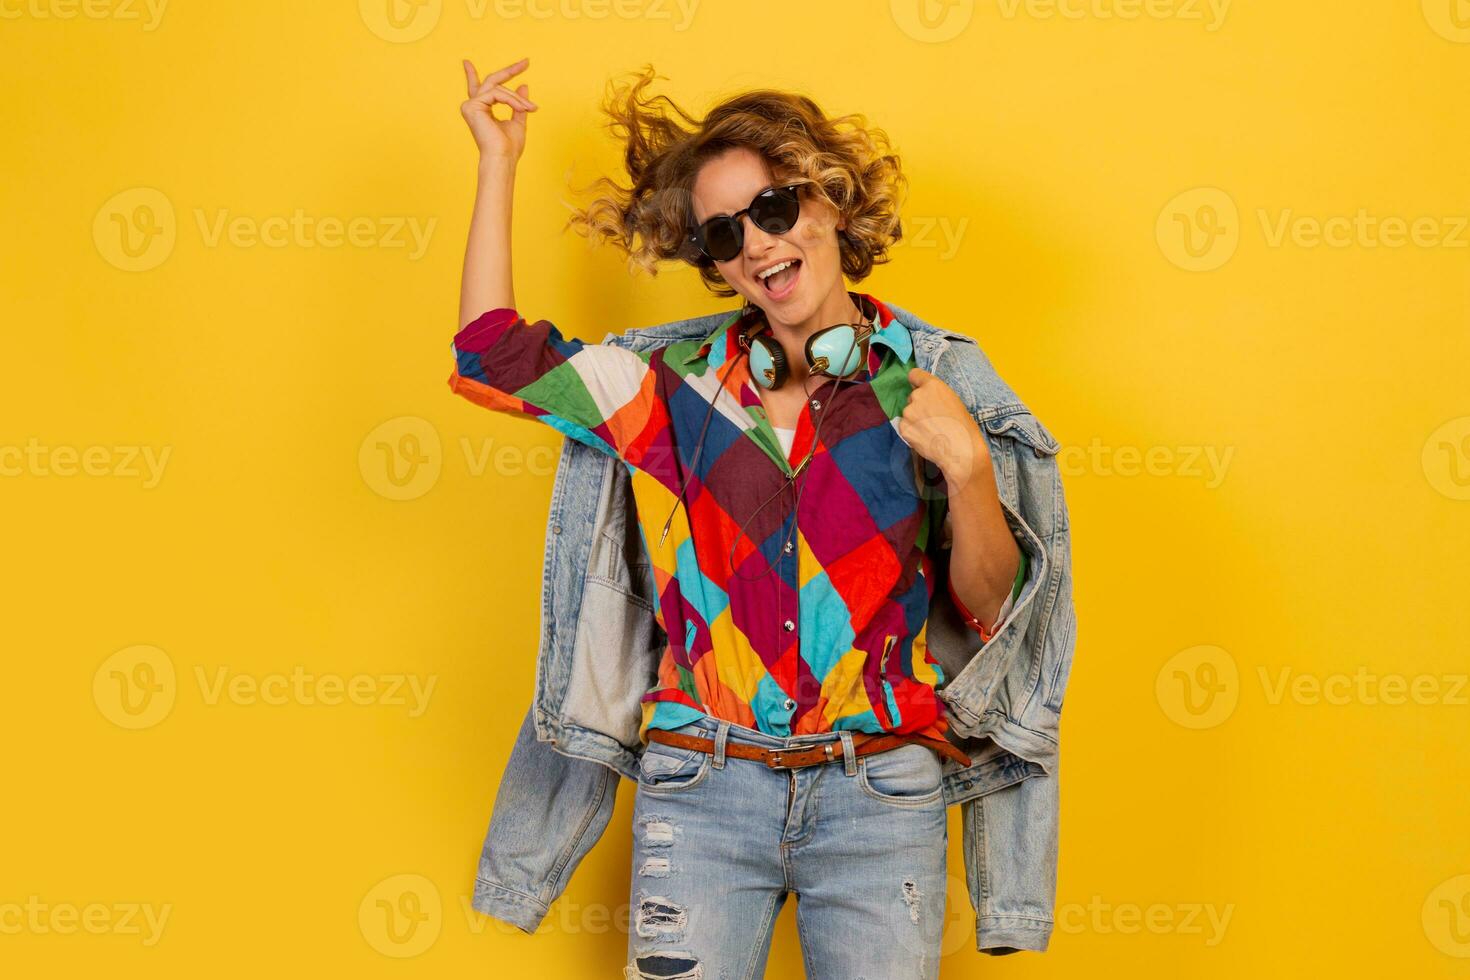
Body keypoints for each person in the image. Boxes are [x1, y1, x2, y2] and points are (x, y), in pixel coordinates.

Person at [449, 55, 1028, 980]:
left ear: (831, 202)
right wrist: (497, 160)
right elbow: (491, 360)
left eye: (773, 208)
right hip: (703, 789)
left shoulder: (930, 385)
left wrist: (967, 469)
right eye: (725, 233)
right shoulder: (671, 393)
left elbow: (991, 608)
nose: (757, 245)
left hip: (879, 792)